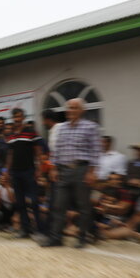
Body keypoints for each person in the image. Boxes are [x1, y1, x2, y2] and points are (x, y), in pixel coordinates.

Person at [43, 98, 101, 248]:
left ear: (82, 111)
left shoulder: (90, 127)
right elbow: (57, 150)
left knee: (83, 206)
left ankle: (82, 238)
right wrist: (54, 168)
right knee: (58, 205)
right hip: (62, 170)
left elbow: (95, 151)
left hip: (81, 170)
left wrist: (91, 172)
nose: (71, 111)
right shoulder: (61, 128)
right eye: (69, 108)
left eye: (75, 108)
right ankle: (56, 238)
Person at [4, 108, 46, 239]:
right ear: (13, 118)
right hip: (15, 173)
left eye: (19, 117)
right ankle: (25, 229)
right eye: (15, 117)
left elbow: (38, 151)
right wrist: (7, 171)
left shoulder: (31, 131)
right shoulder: (11, 135)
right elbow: (10, 155)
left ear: (23, 117)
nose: (17, 119)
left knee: (34, 202)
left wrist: (39, 169)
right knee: (20, 203)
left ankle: (39, 230)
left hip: (29, 171)